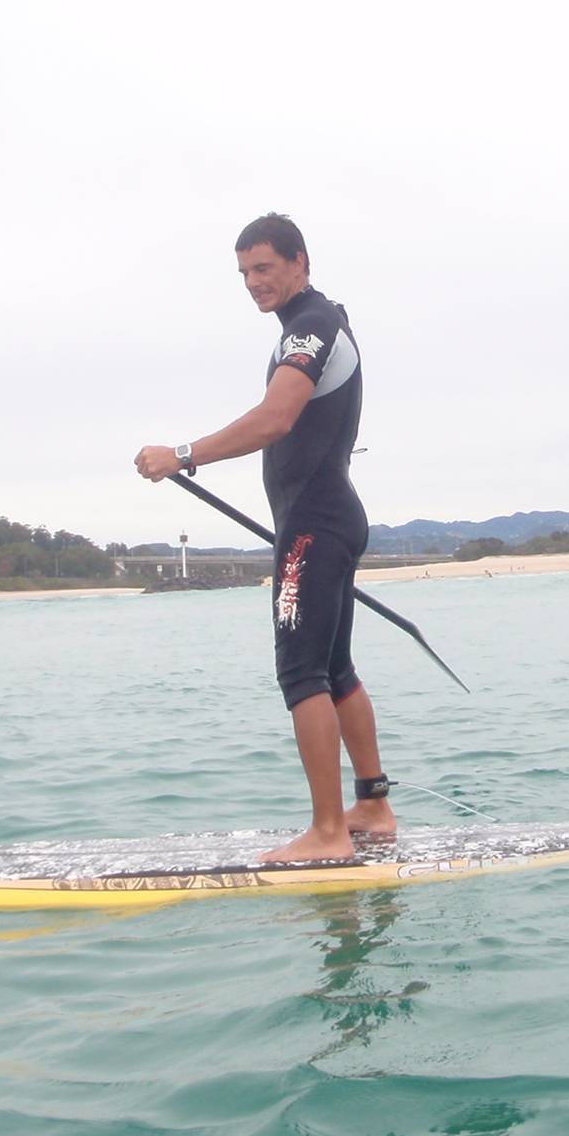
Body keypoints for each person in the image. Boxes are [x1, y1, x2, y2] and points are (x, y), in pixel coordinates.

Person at [134, 212, 389, 864]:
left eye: (264, 268)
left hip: (314, 526)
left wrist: (182, 454)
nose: (253, 281)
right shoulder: (317, 323)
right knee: (334, 669)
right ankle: (372, 805)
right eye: (244, 272)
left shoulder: (312, 327)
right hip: (325, 520)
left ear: (300, 262)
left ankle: (328, 833)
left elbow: (276, 418)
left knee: (301, 673)